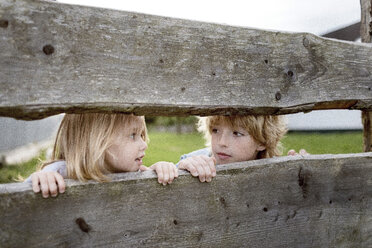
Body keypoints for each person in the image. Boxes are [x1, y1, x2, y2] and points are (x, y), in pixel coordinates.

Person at [26, 113, 178, 198]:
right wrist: (42, 179)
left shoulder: (132, 172)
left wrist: (159, 170)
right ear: (96, 141)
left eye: (141, 135)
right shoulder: (60, 172)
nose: (144, 144)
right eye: (132, 135)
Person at [178, 115, 295, 183]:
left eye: (237, 133)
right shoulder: (193, 161)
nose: (222, 142)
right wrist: (177, 170)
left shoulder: (276, 174)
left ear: (262, 141)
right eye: (216, 130)